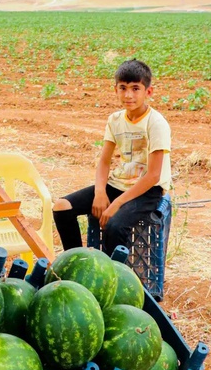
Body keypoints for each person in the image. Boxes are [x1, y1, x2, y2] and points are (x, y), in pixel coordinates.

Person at [52, 59, 172, 256]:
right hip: (118, 184)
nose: (128, 95)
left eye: (135, 89)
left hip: (147, 190)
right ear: (115, 89)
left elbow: (153, 176)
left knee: (114, 226)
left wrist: (116, 204)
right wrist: (100, 192)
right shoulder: (115, 120)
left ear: (148, 92)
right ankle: (76, 262)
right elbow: (104, 161)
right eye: (123, 88)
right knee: (62, 207)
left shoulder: (156, 123)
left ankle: (112, 278)